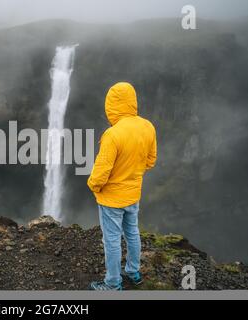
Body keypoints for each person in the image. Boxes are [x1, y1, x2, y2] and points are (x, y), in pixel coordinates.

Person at [87, 82, 157, 291]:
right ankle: (134, 272)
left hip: (111, 200)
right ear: (132, 102)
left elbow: (101, 172)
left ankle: (112, 284)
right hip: (133, 194)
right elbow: (151, 161)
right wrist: (133, 174)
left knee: (112, 241)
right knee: (133, 233)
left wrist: (94, 186)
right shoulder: (148, 126)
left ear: (112, 105)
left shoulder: (113, 134)